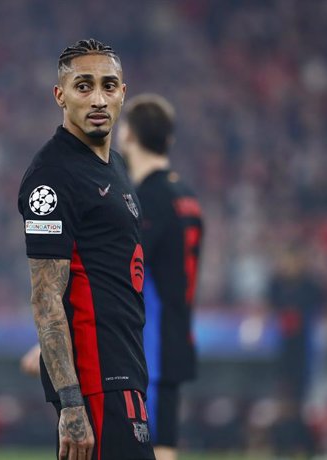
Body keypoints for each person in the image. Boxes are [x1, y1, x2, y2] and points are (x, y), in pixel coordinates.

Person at [17, 39, 154, 460]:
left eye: (108, 86)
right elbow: (45, 299)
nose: (98, 98)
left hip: (123, 368)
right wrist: (72, 404)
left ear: (123, 93)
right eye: (83, 86)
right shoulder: (53, 177)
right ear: (60, 95)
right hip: (97, 381)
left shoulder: (113, 167)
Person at [117, 94, 204, 460]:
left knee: (140, 446)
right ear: (169, 140)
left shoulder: (147, 198)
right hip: (177, 331)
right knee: (164, 445)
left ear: (128, 136)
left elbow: (125, 271)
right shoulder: (186, 195)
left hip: (148, 343)